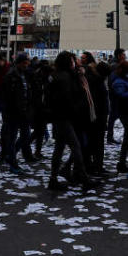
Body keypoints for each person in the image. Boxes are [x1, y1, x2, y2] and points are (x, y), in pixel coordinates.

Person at [47, 51, 91, 191]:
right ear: (67, 63)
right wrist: (75, 110)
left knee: (59, 148)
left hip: (58, 116)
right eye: (72, 61)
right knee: (76, 147)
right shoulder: (65, 77)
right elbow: (68, 99)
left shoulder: (56, 75)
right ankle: (84, 178)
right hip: (64, 117)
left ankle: (53, 179)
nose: (74, 63)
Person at [0, 52, 33, 173]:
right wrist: (8, 111)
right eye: (24, 63)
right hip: (14, 112)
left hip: (23, 111)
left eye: (27, 62)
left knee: (26, 135)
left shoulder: (24, 74)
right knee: (12, 137)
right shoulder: (11, 76)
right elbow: (7, 96)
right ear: (19, 63)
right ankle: (13, 163)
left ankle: (10, 155)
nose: (27, 65)